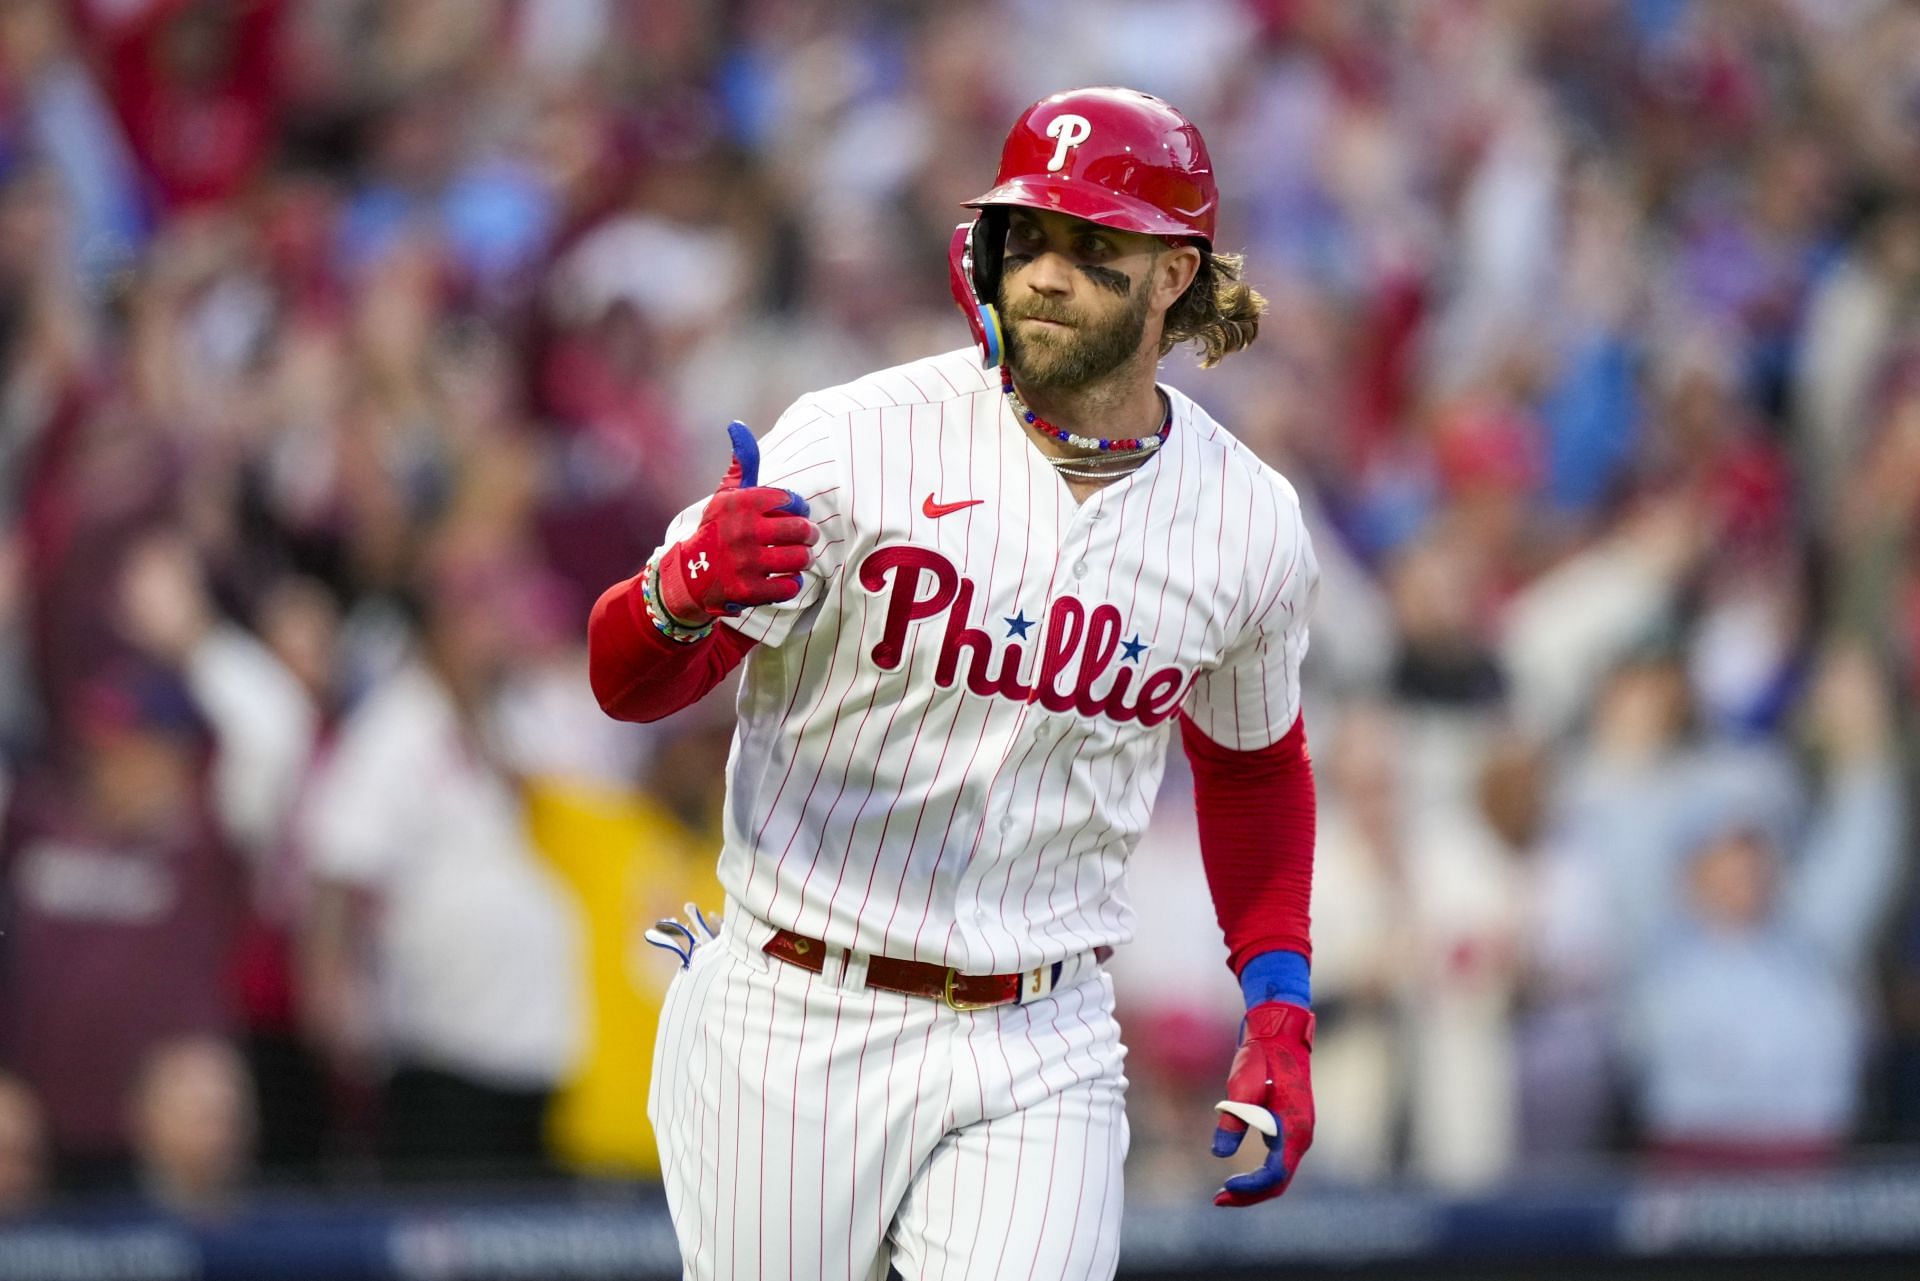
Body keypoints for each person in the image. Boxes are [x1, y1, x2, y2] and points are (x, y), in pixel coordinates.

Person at [588, 87, 1320, 1280]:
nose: (1044, 270)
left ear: (1176, 276)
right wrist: (678, 593)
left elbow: (1253, 765)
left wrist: (1279, 1000)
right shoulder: (852, 440)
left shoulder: (1247, 520)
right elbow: (626, 684)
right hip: (798, 1009)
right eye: (1026, 234)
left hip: (1047, 1028)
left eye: (1095, 246)